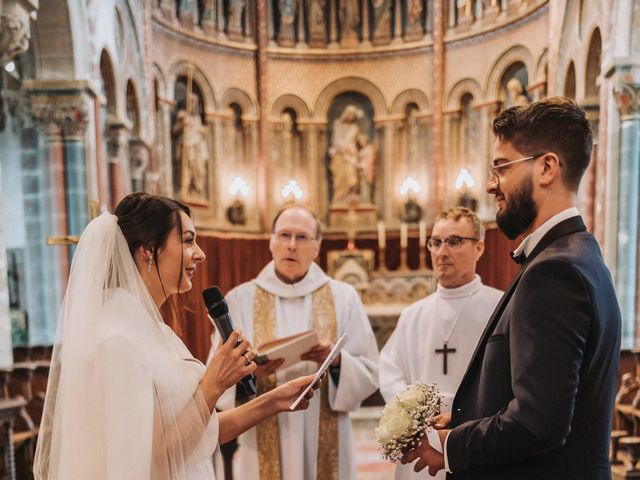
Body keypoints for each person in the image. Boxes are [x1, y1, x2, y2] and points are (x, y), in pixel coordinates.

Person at [401, 97, 622, 479]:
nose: (490, 185)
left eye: (501, 167)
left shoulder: (554, 271)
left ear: (547, 167)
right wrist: (462, 418)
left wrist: (449, 446)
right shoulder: (580, 252)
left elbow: (538, 423)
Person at [33, 193, 319, 479]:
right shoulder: (116, 340)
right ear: (148, 249)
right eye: (187, 240)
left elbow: (195, 434)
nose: (200, 253)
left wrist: (274, 401)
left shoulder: (150, 328)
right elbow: (154, 457)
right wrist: (213, 384)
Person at [211, 205, 379, 480]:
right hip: (261, 427)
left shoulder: (344, 296)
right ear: (271, 241)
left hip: (326, 427)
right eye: (284, 235)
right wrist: (250, 372)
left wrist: (335, 360)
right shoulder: (240, 299)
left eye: (302, 237)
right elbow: (217, 377)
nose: (291, 245)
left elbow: (369, 370)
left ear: (317, 247)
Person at [380, 207, 502, 480]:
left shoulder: (500, 307)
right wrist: (410, 414)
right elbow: (390, 370)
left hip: (475, 437)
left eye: (454, 241)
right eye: (435, 242)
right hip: (420, 441)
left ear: (479, 247)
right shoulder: (413, 314)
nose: (442, 251)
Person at [173, 93, 209, 198]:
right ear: (186, 103)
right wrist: (182, 124)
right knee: (186, 168)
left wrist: (202, 130)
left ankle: (197, 190)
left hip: (197, 145)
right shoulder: (182, 115)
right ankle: (184, 190)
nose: (192, 105)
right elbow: (174, 130)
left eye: (194, 103)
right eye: (190, 102)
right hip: (186, 145)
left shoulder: (197, 117)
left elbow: (201, 130)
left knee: (199, 168)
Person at [329, 105, 363, 204]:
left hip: (351, 156)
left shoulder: (355, 128)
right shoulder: (337, 124)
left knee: (351, 177)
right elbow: (335, 141)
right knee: (339, 179)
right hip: (339, 155)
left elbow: (358, 143)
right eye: (351, 114)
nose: (352, 117)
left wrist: (351, 151)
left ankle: (350, 196)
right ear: (346, 114)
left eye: (354, 115)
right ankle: (339, 199)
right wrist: (343, 149)